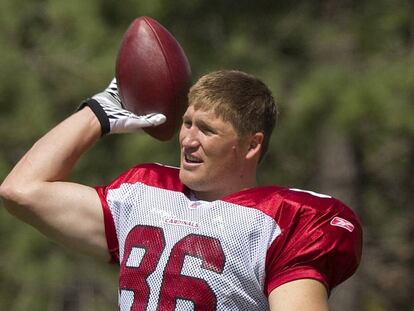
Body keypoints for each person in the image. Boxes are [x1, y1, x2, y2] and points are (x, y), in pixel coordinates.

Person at [0, 70, 362, 310]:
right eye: (187, 123)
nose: (188, 139)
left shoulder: (283, 222)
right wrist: (98, 114)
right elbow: (21, 190)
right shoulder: (144, 193)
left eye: (206, 129)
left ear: (252, 146)